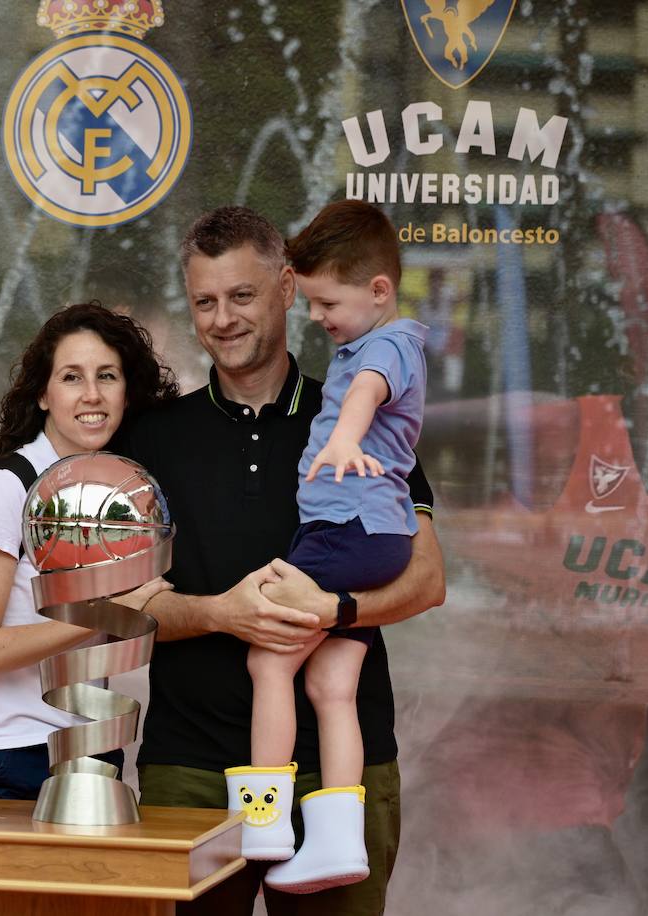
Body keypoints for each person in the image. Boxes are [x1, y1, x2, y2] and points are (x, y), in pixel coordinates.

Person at [115, 206, 446, 915]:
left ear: (289, 289)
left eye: (242, 296)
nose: (223, 319)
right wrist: (217, 614)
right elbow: (120, 608)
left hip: (340, 774)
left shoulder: (361, 420)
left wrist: (338, 611)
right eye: (205, 301)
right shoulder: (153, 438)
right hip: (191, 766)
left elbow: (427, 579)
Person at [235, 201, 428, 894]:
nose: (317, 316)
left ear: (378, 291)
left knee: (268, 661)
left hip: (344, 533)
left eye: (327, 302)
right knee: (331, 683)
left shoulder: (383, 348)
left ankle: (262, 822)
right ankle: (338, 843)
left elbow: (365, 396)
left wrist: (345, 438)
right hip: (378, 540)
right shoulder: (384, 342)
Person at [0, 302, 179, 815]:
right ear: (43, 394)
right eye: (71, 377)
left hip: (85, 750)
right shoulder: (5, 489)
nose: (92, 394)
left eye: (107, 376)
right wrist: (112, 611)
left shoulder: (123, 493)